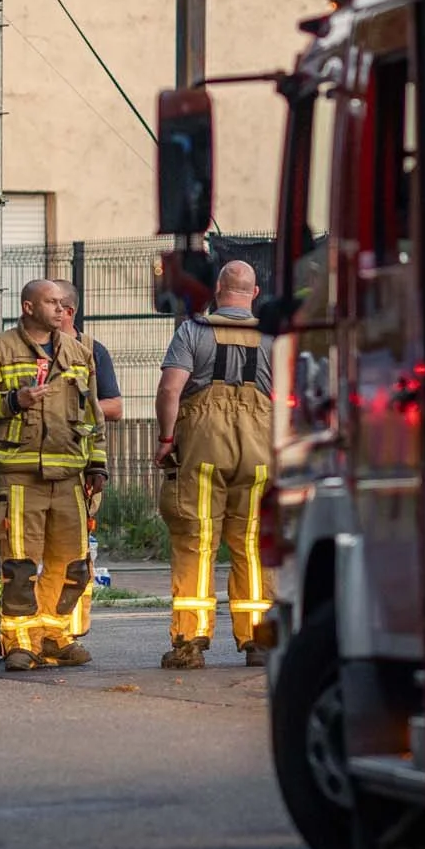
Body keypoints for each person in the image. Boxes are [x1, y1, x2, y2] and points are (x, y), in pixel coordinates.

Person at [0, 279, 107, 672]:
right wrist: (13, 400)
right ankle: (20, 642)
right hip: (18, 476)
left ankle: (55, 636)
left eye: (62, 303)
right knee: (20, 566)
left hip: (70, 477)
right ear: (28, 307)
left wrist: (97, 464)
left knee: (73, 564)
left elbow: (93, 415)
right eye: (51, 302)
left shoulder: (78, 352)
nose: (60, 309)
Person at [155, 261, 275, 669]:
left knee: (197, 540)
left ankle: (190, 641)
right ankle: (259, 641)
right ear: (254, 293)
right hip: (260, 450)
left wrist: (167, 439)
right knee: (254, 545)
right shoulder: (273, 335)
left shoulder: (193, 330)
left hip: (205, 448)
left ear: (218, 288)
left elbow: (171, 388)